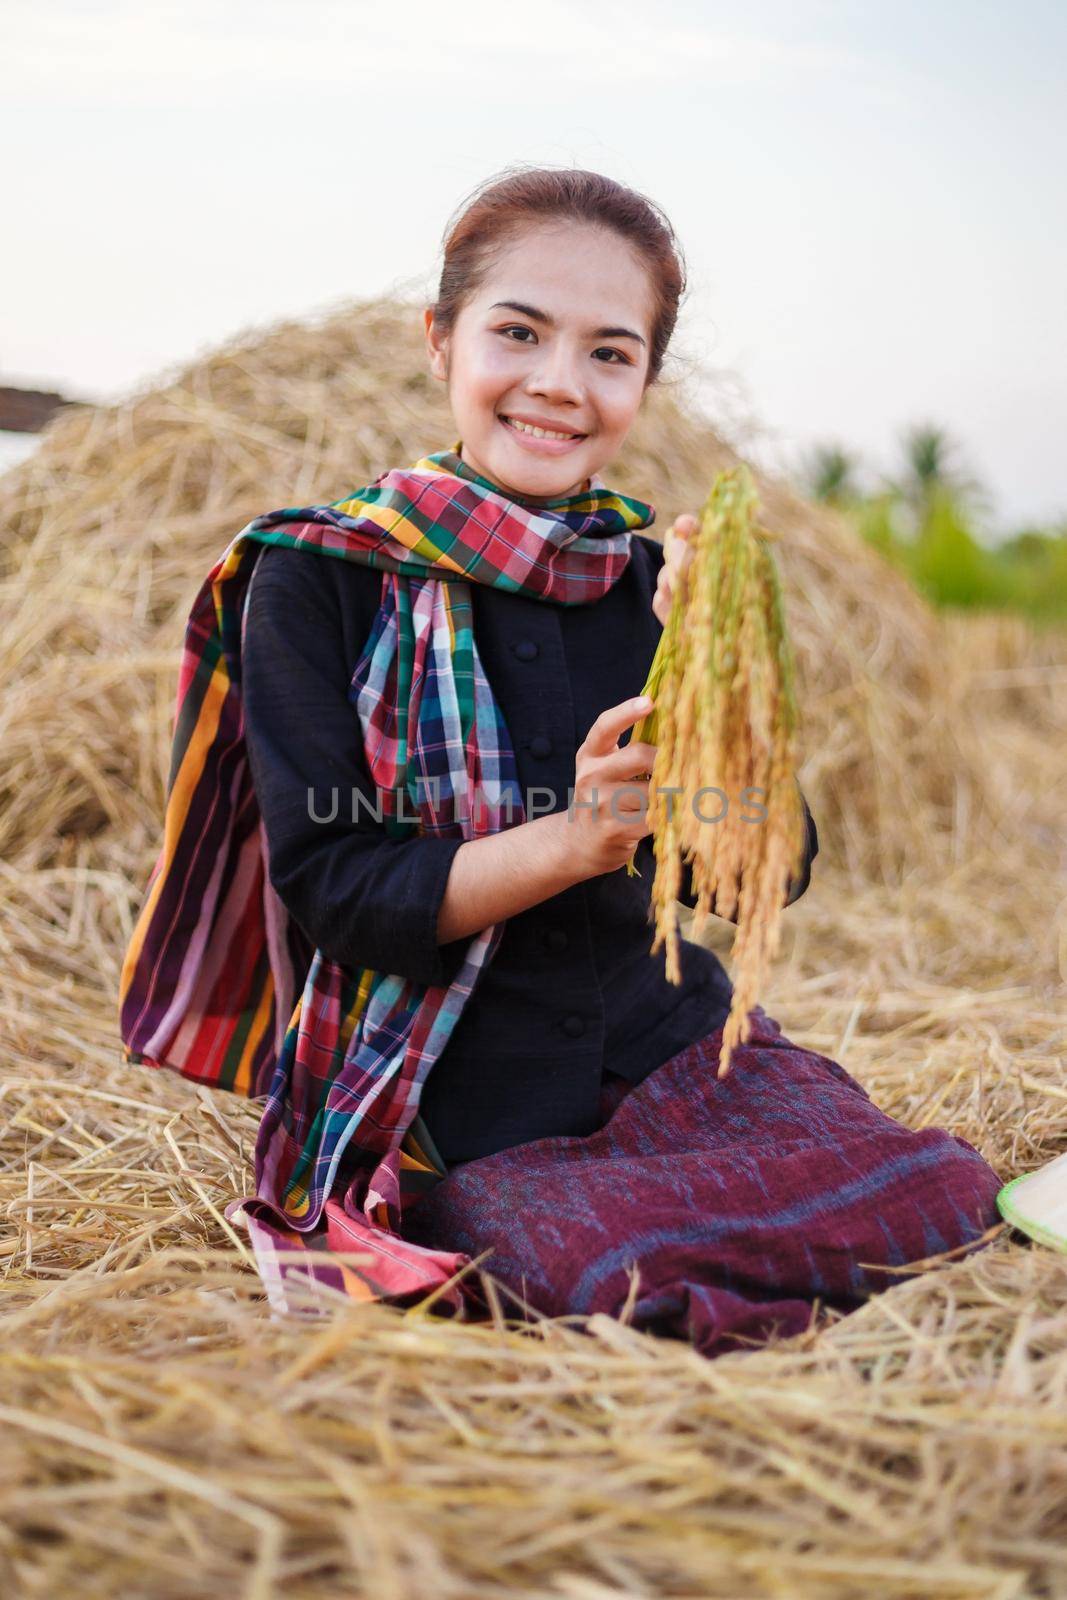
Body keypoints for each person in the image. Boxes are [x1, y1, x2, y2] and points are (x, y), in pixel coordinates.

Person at [122, 166, 1005, 1356]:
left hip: (670, 1046)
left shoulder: (655, 583)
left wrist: (711, 676)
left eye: (608, 351)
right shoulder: (318, 576)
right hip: (449, 1088)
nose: (555, 384)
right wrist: (572, 841)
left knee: (947, 1191)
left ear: (643, 381)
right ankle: (660, 1256)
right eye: (517, 332)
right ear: (440, 342)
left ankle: (698, 1249)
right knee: (566, 1261)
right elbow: (338, 894)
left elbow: (765, 871)